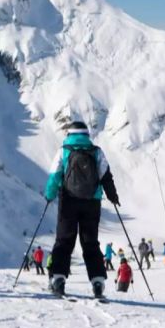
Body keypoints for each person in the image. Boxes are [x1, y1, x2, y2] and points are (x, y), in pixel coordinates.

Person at [44, 120, 120, 299]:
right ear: (86, 135)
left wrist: (49, 195)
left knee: (64, 240)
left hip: (68, 201)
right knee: (90, 242)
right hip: (92, 202)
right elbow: (106, 176)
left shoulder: (64, 150)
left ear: (69, 135)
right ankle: (98, 282)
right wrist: (113, 196)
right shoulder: (96, 151)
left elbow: (55, 176)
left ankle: (58, 279)